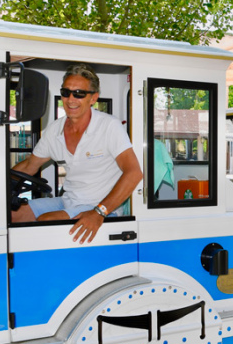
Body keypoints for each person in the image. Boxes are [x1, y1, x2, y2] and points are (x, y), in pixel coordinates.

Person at [11, 64, 142, 244]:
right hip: (68, 200)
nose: (71, 99)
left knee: (45, 222)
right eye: (66, 92)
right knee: (11, 214)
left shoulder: (109, 126)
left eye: (79, 93)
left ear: (93, 98)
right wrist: (0, 189)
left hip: (100, 206)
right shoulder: (54, 130)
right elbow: (28, 166)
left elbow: (134, 173)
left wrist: (99, 212)